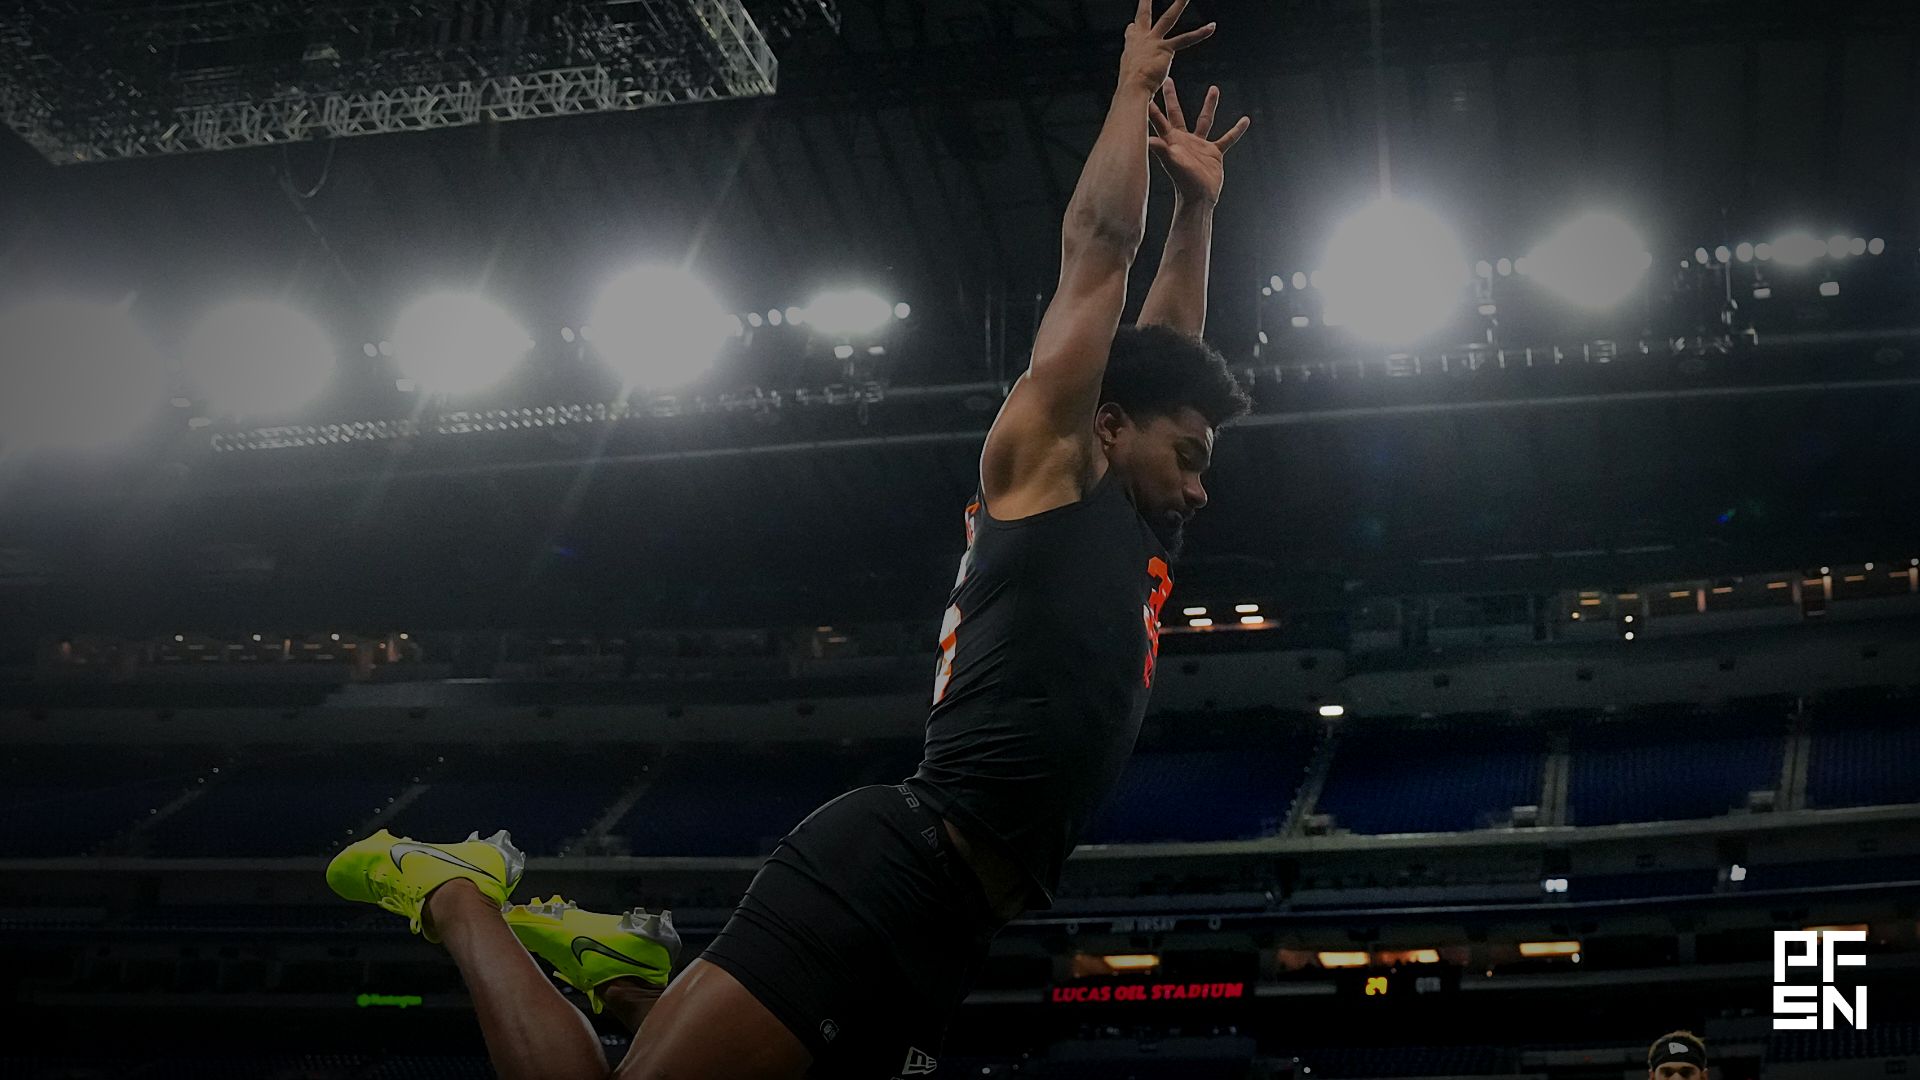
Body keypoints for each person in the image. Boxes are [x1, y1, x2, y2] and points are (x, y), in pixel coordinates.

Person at [323, 1, 1250, 1076]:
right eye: (1191, 457)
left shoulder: (1135, 524)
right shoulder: (1046, 472)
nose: (1200, 486)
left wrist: (1201, 212)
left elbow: (1166, 353)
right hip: (892, 869)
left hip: (949, 919)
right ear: (1108, 428)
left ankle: (621, 973)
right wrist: (1133, 92)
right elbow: (1097, 260)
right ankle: (452, 891)